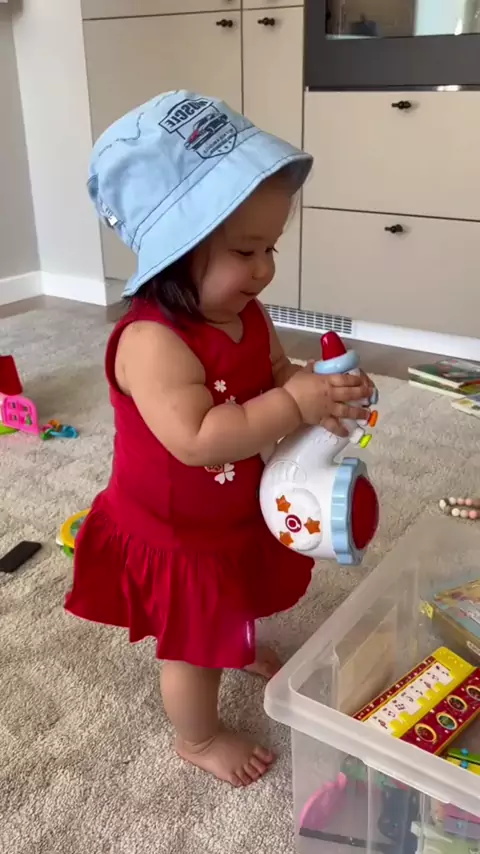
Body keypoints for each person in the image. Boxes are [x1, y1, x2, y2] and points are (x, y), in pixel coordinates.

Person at [65, 91, 372, 788]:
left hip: (233, 512)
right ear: (175, 253)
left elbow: (275, 376)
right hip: (177, 531)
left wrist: (315, 394)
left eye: (270, 249)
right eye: (244, 251)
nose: (264, 269)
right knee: (192, 650)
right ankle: (197, 738)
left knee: (234, 601)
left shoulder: (248, 313)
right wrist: (289, 403)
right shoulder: (151, 342)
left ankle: (234, 640)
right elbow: (199, 438)